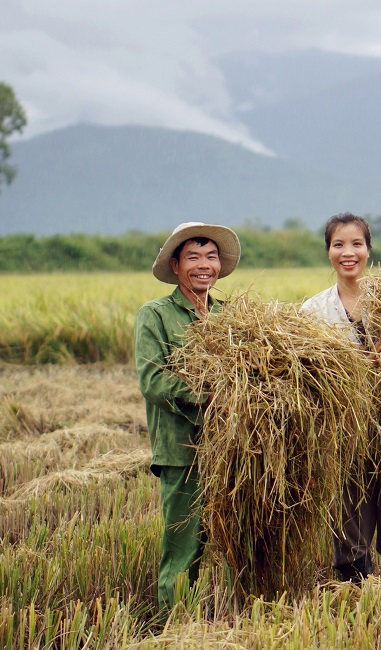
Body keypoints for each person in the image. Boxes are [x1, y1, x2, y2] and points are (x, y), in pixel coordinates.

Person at [301, 212, 381, 582]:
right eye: (339, 244)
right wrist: (357, 366)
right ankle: (353, 600)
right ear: (328, 252)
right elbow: (307, 377)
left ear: (369, 249)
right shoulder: (312, 312)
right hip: (343, 436)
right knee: (349, 525)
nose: (347, 252)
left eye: (356, 244)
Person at [134, 221, 241, 616]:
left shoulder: (232, 317)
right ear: (176, 265)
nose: (204, 265)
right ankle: (176, 627)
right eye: (193, 257)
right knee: (184, 549)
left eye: (211, 257)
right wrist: (210, 397)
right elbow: (153, 380)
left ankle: (235, 624)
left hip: (234, 450)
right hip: (183, 450)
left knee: (236, 543)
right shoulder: (156, 315)